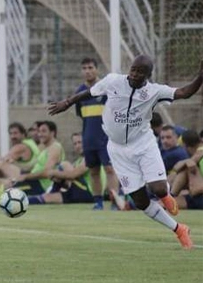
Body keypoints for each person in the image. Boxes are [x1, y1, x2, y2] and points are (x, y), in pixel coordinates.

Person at [49, 54, 203, 249]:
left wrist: (200, 76)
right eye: (133, 70)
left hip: (143, 144)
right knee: (139, 201)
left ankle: (166, 196)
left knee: (159, 189)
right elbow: (91, 92)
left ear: (148, 75)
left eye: (140, 72)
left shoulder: (155, 91)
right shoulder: (114, 81)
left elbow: (184, 93)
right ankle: (179, 229)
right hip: (118, 149)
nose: (135, 74)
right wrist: (68, 102)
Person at [74, 57, 121, 210]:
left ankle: (115, 201)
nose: (87, 71)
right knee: (93, 171)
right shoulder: (80, 92)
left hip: (106, 138)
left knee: (109, 169)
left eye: (90, 67)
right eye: (84, 68)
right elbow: (81, 115)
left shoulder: (106, 88)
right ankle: (98, 202)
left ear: (97, 69)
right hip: (88, 138)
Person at [28, 133, 94, 205]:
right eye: (75, 144)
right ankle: (21, 201)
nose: (77, 146)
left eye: (80, 142)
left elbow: (73, 175)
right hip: (79, 192)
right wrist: (58, 178)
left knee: (64, 165)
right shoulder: (77, 162)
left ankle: (52, 190)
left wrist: (53, 173)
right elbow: (70, 181)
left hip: (89, 193)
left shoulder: (90, 157)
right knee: (48, 198)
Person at [15, 121, 66, 195]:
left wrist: (26, 176)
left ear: (52, 133)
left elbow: (48, 172)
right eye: (39, 131)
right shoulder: (45, 148)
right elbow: (31, 167)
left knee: (10, 191)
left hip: (42, 186)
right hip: (35, 181)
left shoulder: (55, 148)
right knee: (8, 186)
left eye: (43, 131)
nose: (40, 134)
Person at [169, 130, 203, 210]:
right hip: (196, 197)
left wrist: (194, 189)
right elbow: (176, 168)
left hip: (199, 197)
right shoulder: (194, 159)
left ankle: (169, 197)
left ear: (185, 146)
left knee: (186, 169)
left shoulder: (199, 156)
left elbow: (197, 190)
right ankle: (169, 197)